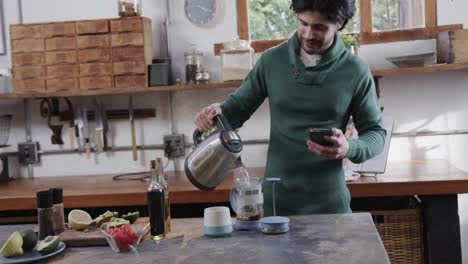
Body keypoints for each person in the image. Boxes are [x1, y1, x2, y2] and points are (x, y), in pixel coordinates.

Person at [194, 0, 386, 215]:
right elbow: (235, 110)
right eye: (303, 23)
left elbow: (376, 135)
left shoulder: (356, 71)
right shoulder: (271, 61)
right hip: (276, 203)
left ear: (339, 23)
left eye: (319, 27)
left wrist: (349, 147)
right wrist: (213, 115)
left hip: (330, 205)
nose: (308, 34)